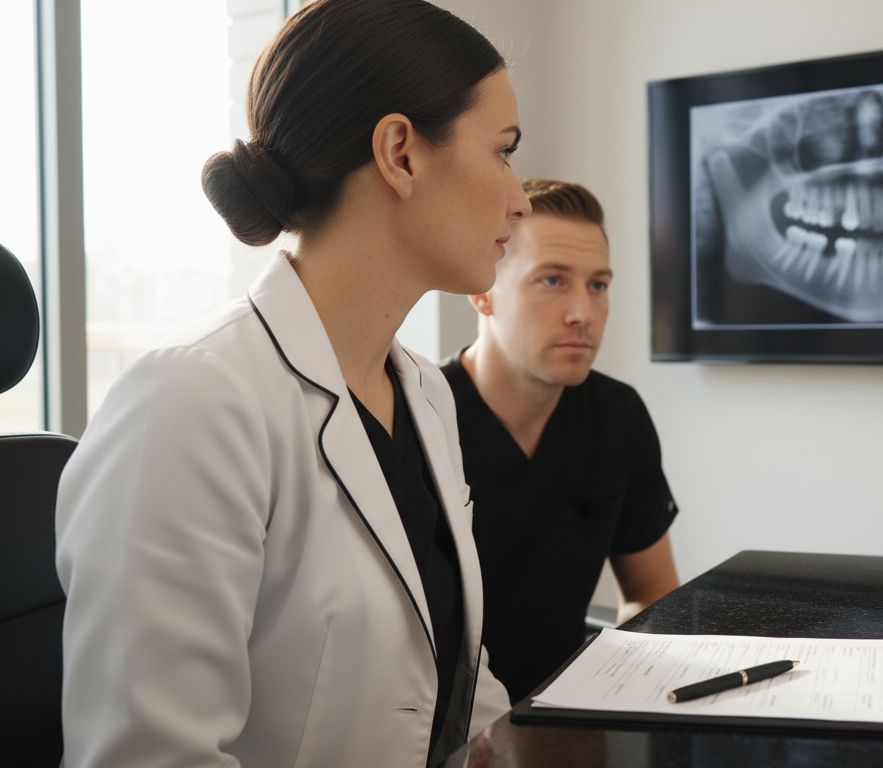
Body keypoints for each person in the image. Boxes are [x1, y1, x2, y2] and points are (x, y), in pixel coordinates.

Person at [54, 1, 527, 765]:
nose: (520, 199)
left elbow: (465, 695)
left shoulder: (426, 395)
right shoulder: (191, 404)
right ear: (401, 152)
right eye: (502, 151)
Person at [442, 179, 680, 704]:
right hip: (434, 735)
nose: (583, 313)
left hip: (568, 713)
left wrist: (625, 700)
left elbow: (650, 593)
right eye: (552, 280)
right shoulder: (420, 418)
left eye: (598, 285)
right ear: (482, 292)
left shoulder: (617, 416)